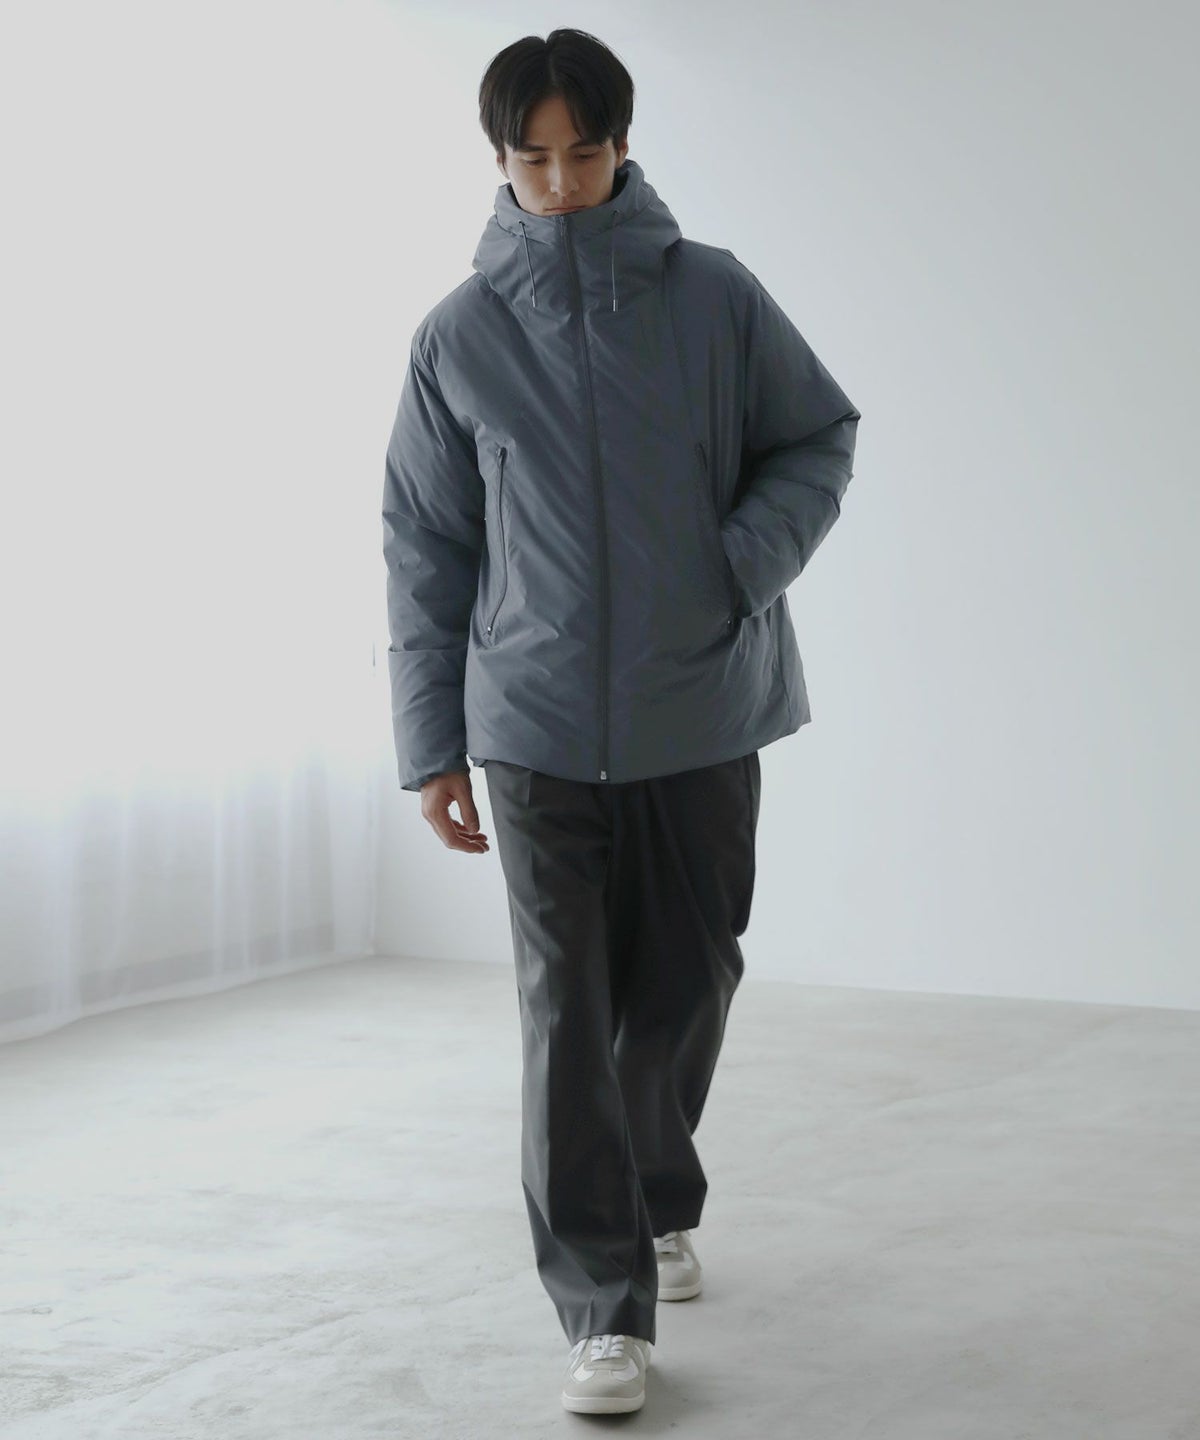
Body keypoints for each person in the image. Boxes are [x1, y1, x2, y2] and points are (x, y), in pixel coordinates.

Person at [381, 28, 860, 1416]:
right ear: (499, 160)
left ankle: (656, 1191)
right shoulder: (459, 336)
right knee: (563, 1010)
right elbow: (425, 542)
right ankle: (601, 1304)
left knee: (687, 985)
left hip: (700, 705)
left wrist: (733, 568)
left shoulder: (715, 296)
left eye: (582, 152)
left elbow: (816, 436)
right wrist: (432, 743)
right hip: (531, 725)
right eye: (532, 158)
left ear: (622, 145)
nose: (559, 182)